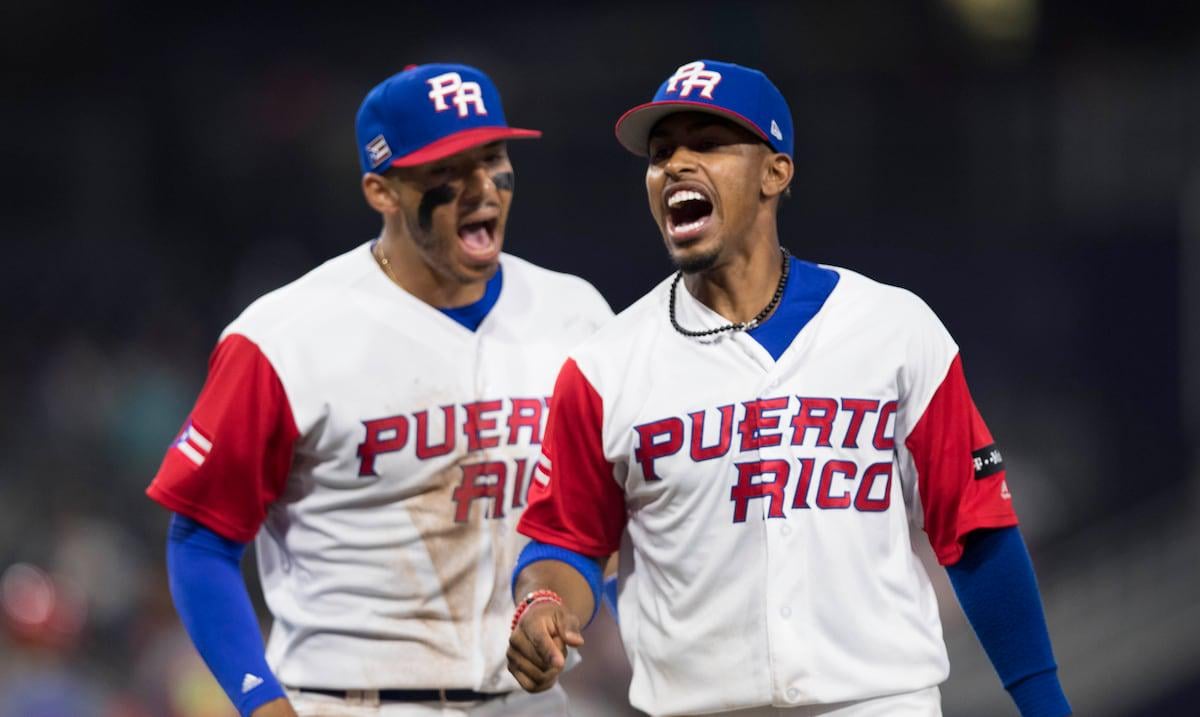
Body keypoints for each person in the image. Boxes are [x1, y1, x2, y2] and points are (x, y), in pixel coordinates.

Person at [505, 60, 1071, 717]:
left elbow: (978, 531)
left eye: (709, 144)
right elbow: (564, 541)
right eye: (662, 153)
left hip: (878, 702)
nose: (677, 164)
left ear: (777, 171)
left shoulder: (892, 328)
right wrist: (543, 603)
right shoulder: (605, 367)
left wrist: (1044, 702)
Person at [146, 63, 612, 717]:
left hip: (528, 700)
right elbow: (199, 539)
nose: (482, 187)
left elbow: (604, 517)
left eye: (493, 157)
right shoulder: (284, 336)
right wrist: (260, 700)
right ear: (382, 190)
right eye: (448, 169)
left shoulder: (576, 314)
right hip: (350, 699)